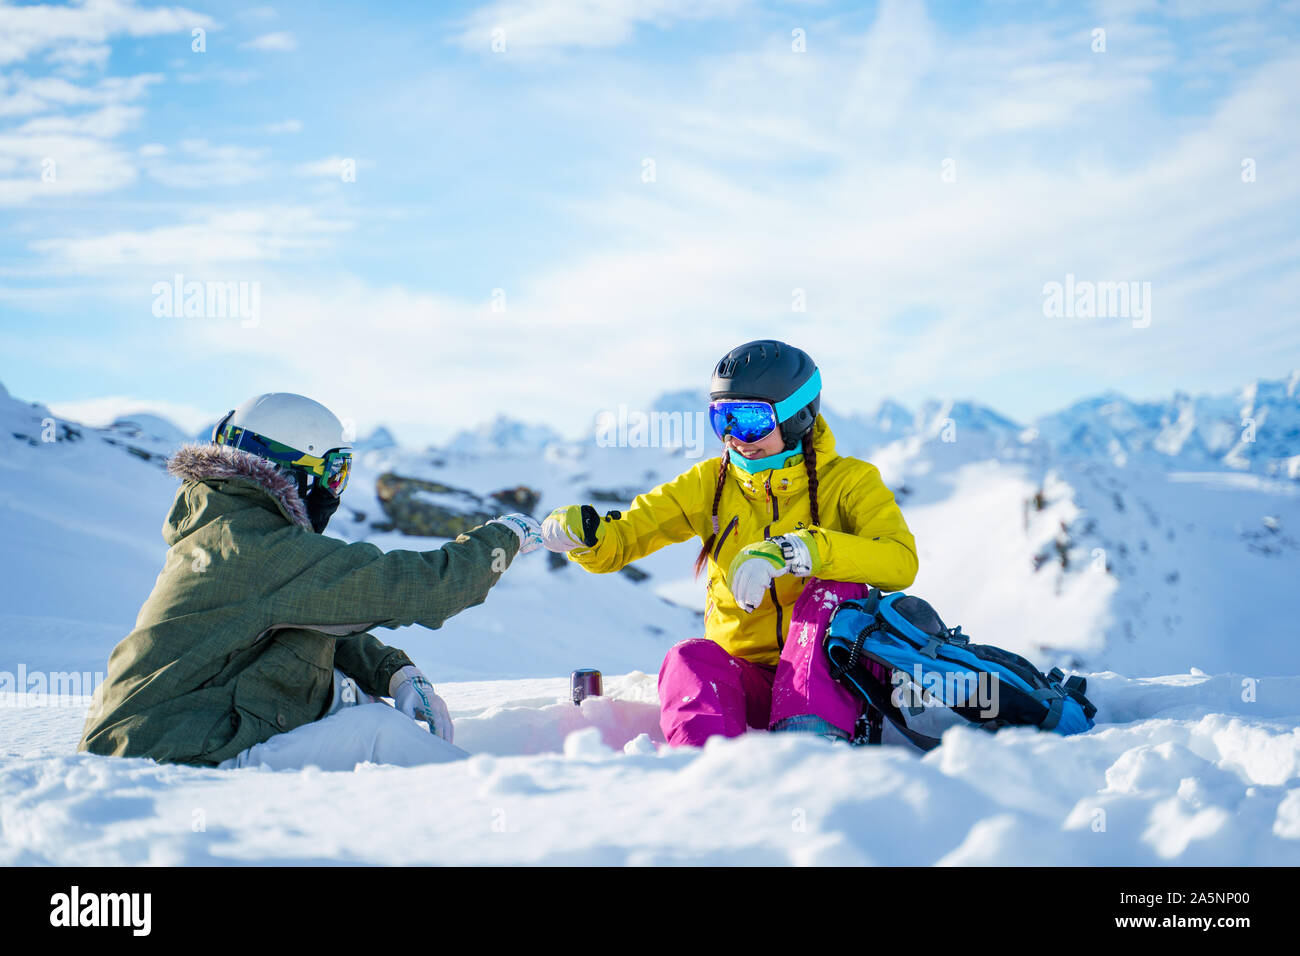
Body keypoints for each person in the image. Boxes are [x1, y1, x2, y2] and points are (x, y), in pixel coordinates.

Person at [79, 392, 543, 771]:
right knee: (377, 736)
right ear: (292, 471)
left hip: (162, 739)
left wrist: (394, 672)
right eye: (334, 472)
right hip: (165, 758)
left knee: (361, 710)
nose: (334, 491)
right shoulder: (257, 549)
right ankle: (503, 817)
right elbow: (427, 587)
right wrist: (507, 536)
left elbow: (302, 620)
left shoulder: (230, 530)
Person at [542, 340, 918, 746]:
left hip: (836, 683)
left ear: (797, 416)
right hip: (751, 683)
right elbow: (624, 539)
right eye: (723, 419)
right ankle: (706, 766)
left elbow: (899, 562)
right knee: (688, 657)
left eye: (751, 419)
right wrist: (587, 536)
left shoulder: (849, 482)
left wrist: (801, 551)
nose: (736, 437)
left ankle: (811, 747)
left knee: (832, 589)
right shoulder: (710, 484)